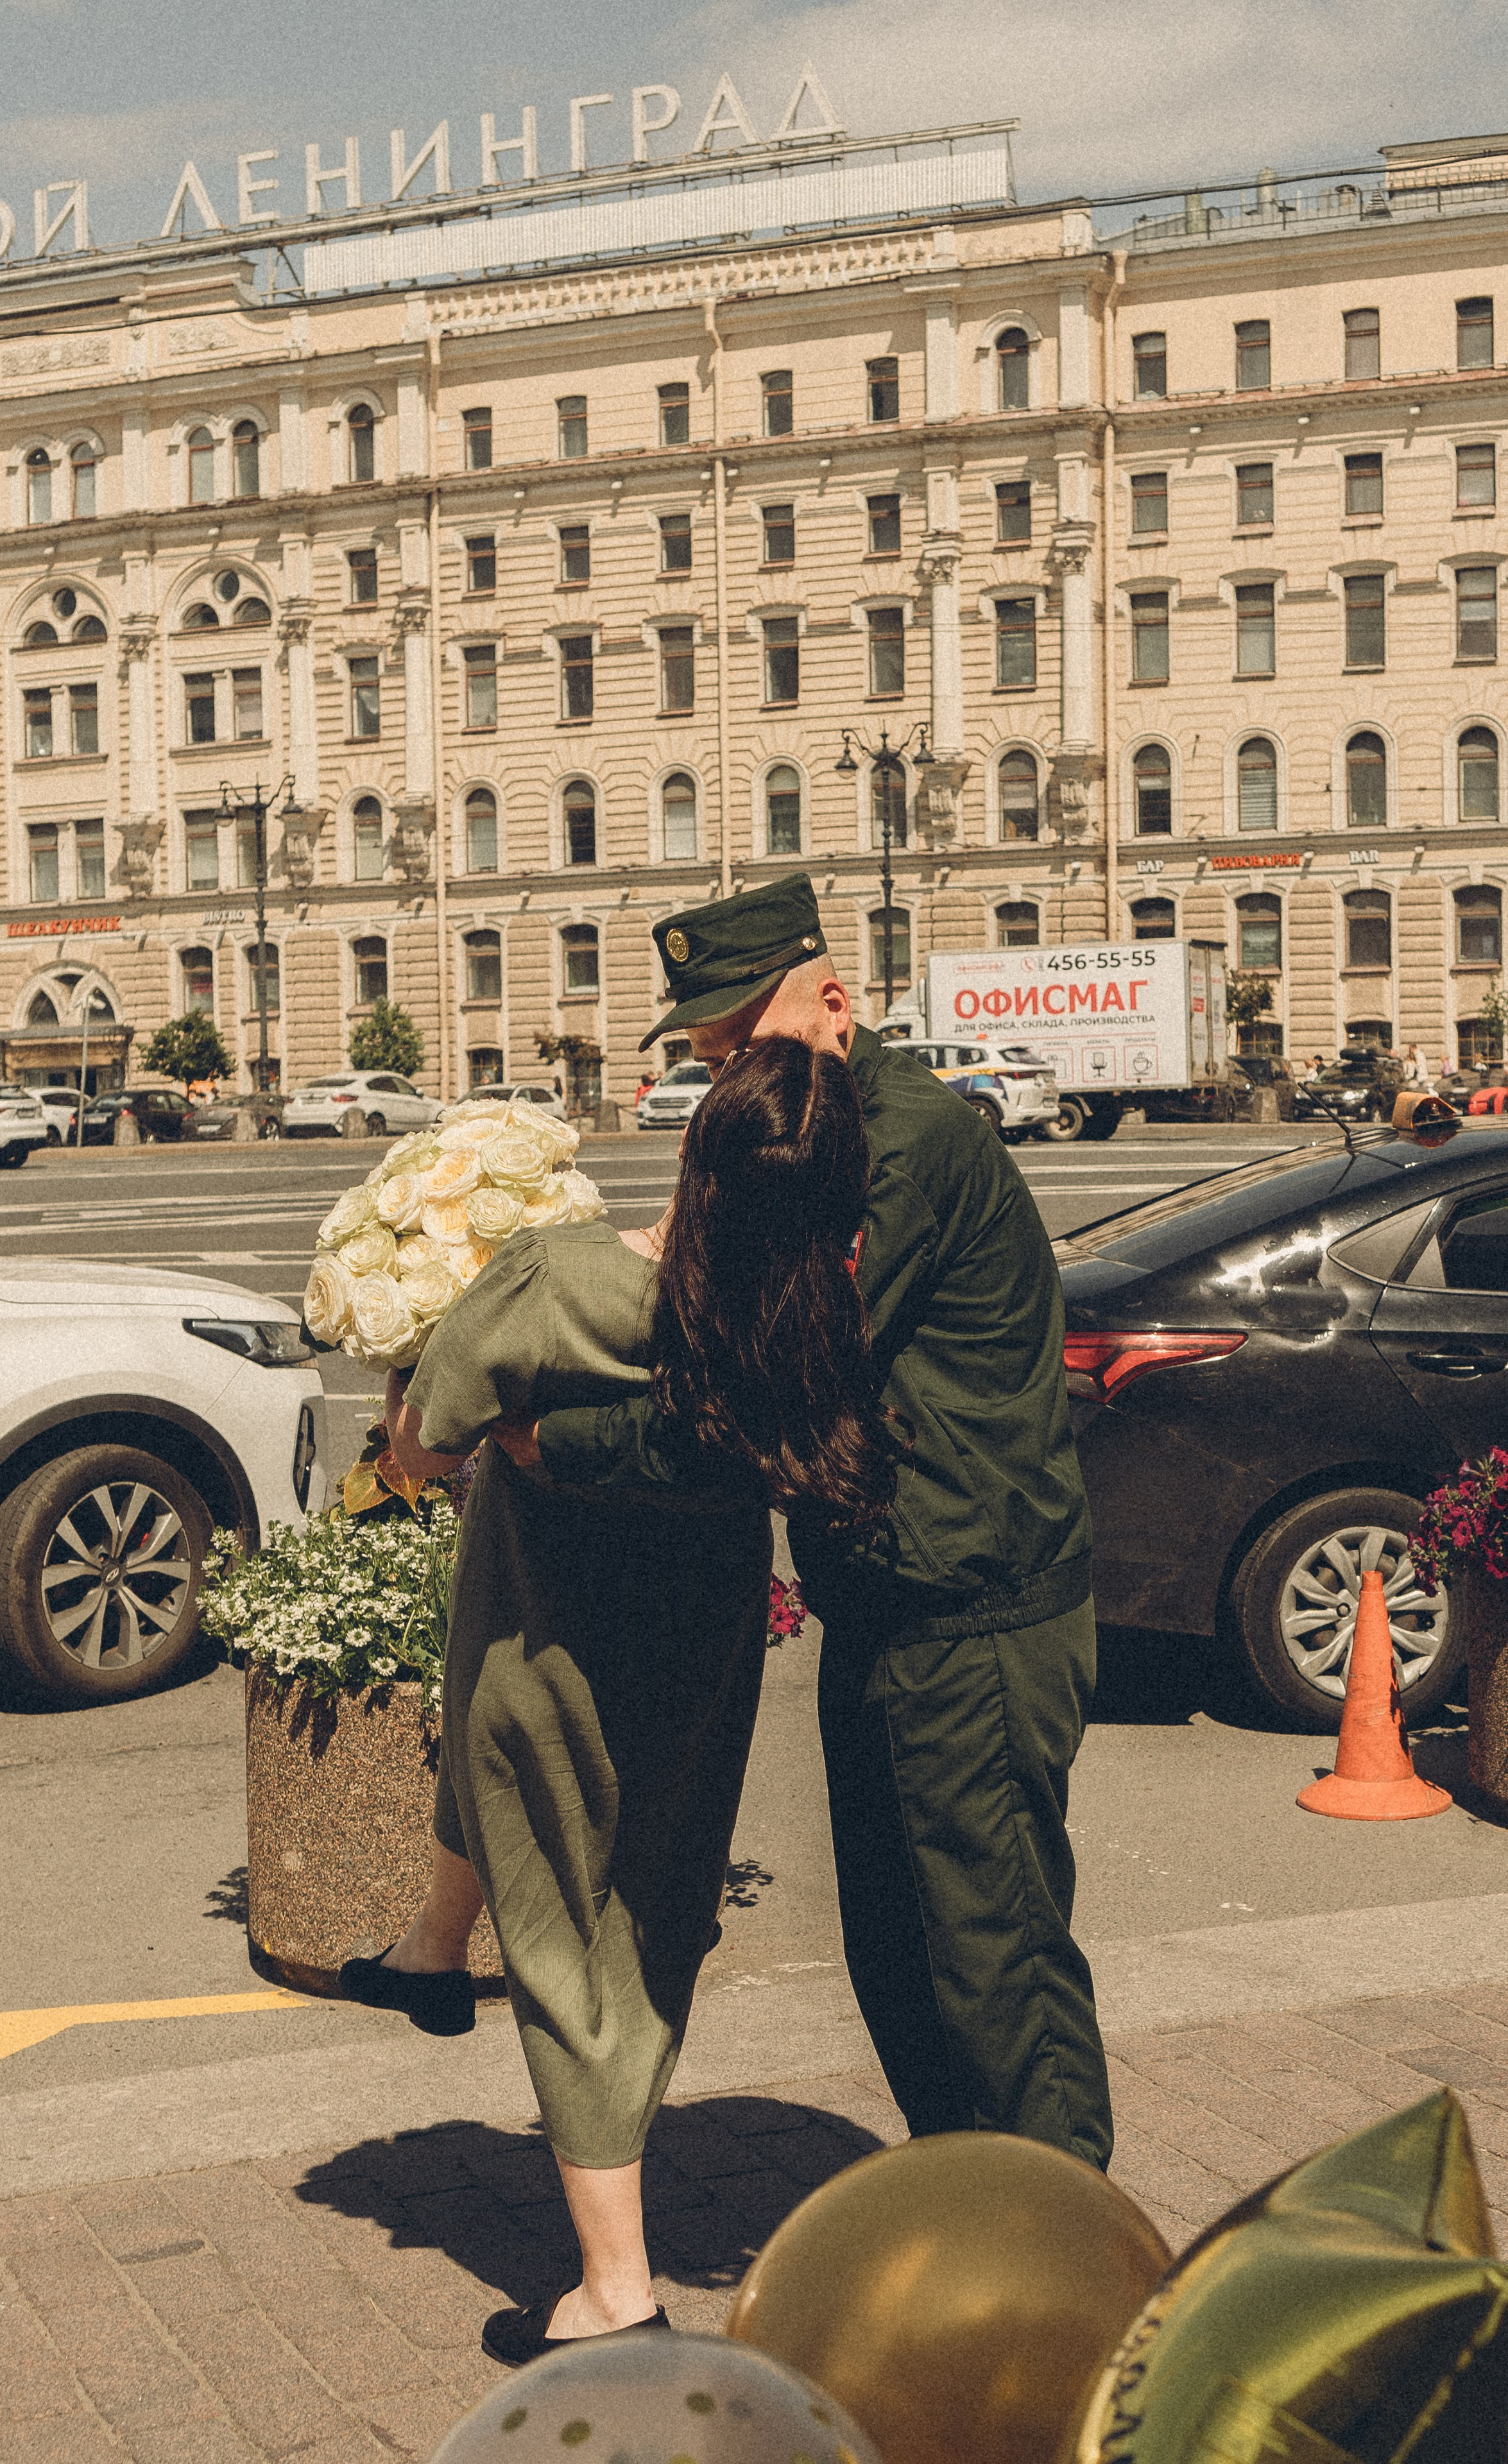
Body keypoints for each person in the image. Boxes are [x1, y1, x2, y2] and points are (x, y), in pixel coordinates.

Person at [502, 874, 1113, 2172]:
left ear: (833, 1002)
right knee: (901, 1958)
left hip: (975, 1618)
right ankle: (974, 2220)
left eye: (744, 1040)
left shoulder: (894, 1146)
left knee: (994, 1964)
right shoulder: (818, 1129)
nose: (725, 1073)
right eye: (713, 1050)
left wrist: (549, 1440)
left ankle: (1079, 2276)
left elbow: (764, 1393)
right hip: (891, 1606)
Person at [361, 1038, 893, 2364]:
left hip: (541, 1649)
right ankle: (430, 1951)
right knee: (648, 1906)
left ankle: (614, 2288)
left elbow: (421, 1447)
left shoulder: (559, 1282)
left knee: (560, 1939)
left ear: (692, 1157)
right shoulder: (805, 1328)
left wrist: (430, 1426)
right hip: (697, 1652)